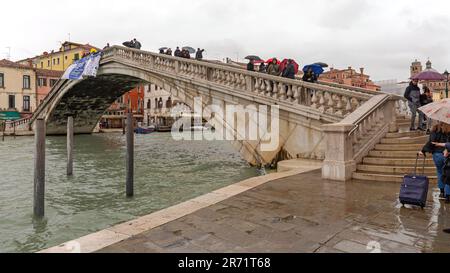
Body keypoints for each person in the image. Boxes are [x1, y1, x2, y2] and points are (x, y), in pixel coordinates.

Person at [428, 132, 450, 203]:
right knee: (448, 175)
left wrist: (424, 150)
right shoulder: (448, 130)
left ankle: (442, 191)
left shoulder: (435, 130)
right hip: (447, 154)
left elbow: (430, 142)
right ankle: (448, 195)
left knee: (440, 172)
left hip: (437, 154)